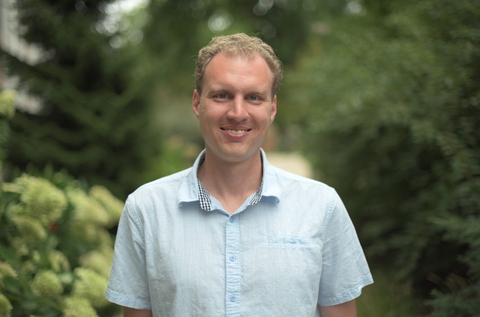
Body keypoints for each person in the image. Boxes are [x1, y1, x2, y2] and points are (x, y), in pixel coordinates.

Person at [106, 33, 373, 317]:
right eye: (222, 95)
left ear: (272, 108)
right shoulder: (146, 209)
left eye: (253, 97)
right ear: (197, 103)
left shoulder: (322, 206)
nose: (237, 112)